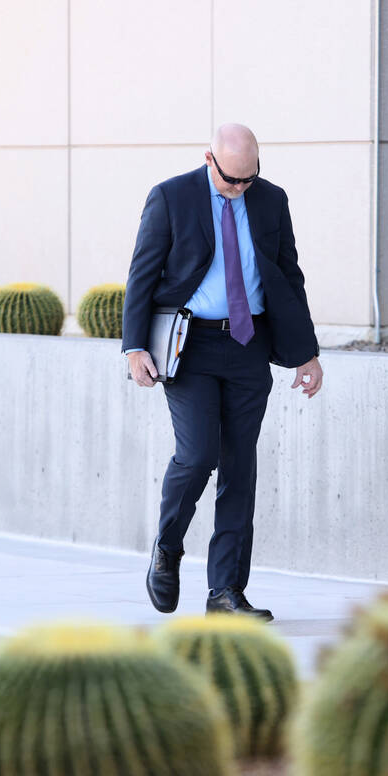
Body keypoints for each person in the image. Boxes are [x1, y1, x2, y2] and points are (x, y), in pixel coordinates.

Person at [122, 123, 323, 622]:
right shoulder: (171, 197)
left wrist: (306, 352)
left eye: (248, 179)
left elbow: (288, 277)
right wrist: (133, 348)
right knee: (197, 456)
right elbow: (141, 274)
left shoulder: (271, 200)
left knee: (240, 468)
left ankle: (226, 593)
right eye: (231, 180)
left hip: (249, 344)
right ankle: (168, 547)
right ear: (209, 159)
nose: (240, 189)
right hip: (190, 346)